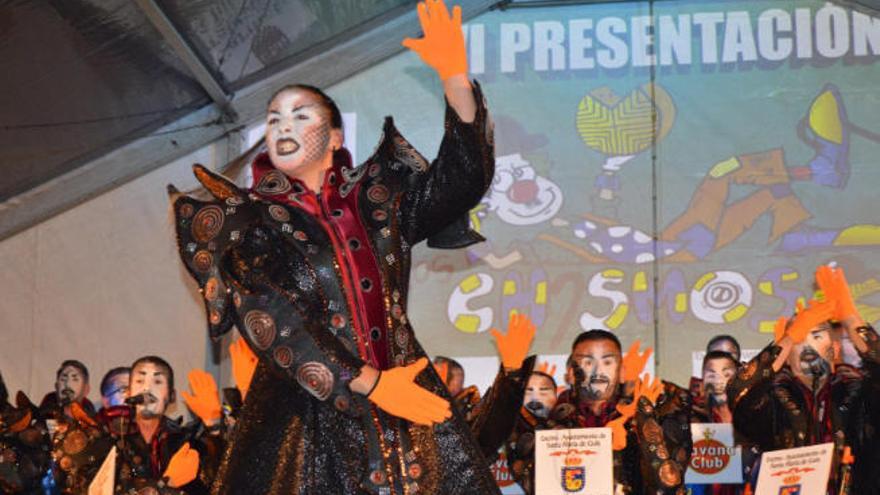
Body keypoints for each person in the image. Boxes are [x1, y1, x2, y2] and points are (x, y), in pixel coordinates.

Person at [169, 0, 501, 492]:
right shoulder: (249, 221)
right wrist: (369, 383)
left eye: (299, 115)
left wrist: (454, 78)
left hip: (406, 396)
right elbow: (274, 321)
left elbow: (461, 182)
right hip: (302, 422)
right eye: (273, 119)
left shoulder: (378, 202)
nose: (282, 126)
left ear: (336, 134)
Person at [728, 265, 880, 492]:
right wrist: (789, 338)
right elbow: (738, 391)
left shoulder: (857, 391)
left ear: (835, 348)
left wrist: (850, 318)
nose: (807, 344)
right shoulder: (775, 398)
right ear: (788, 357)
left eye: (816, 335)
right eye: (801, 338)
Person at [553, 331, 691, 494]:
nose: (598, 371)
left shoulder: (654, 411)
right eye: (588, 362)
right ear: (570, 373)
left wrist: (642, 422)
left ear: (622, 372)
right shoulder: (552, 421)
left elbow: (670, 483)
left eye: (607, 362)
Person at [503, 369, 558, 495]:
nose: (535, 397)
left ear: (556, 396)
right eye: (528, 391)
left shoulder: (571, 430)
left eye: (544, 391)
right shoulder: (503, 433)